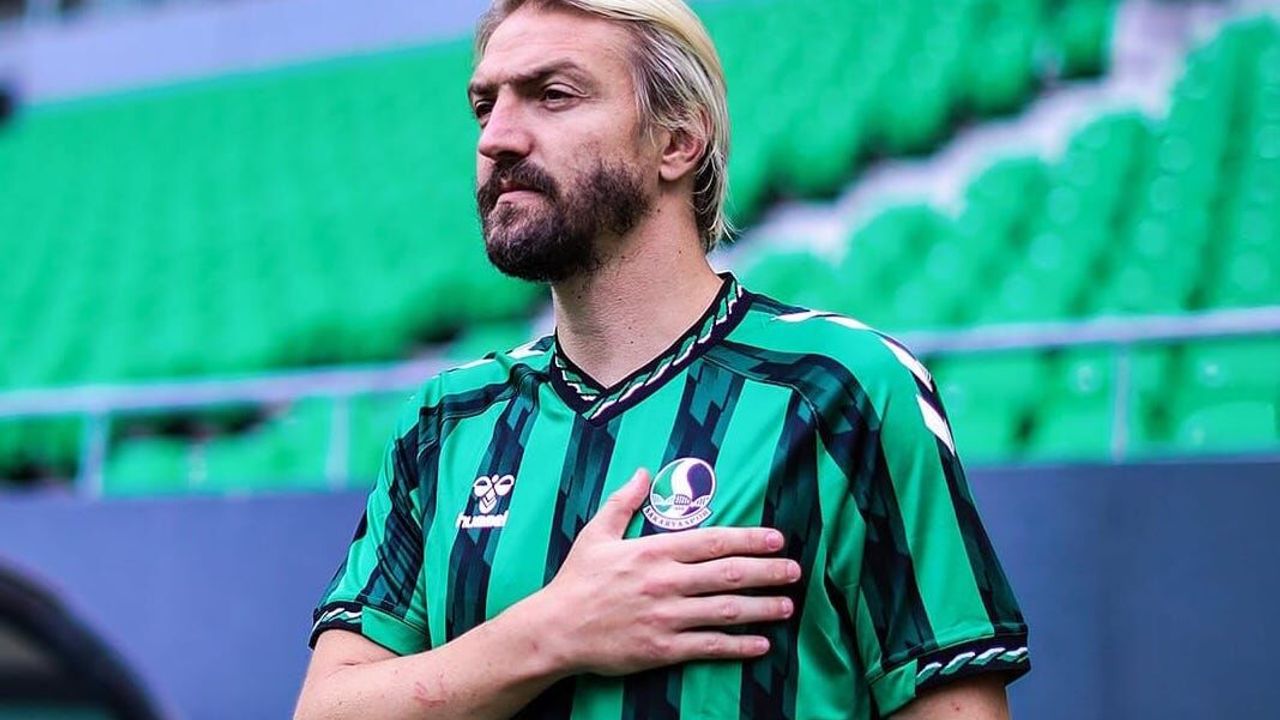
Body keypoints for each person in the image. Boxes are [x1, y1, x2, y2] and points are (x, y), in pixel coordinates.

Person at [294, 1, 1030, 718]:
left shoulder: (842, 390)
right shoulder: (445, 422)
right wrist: (549, 634)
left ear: (678, 141)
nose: (498, 138)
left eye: (553, 95)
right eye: (485, 106)